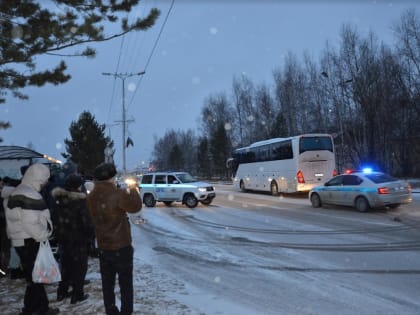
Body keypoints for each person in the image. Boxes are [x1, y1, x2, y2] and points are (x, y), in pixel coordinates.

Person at [86, 162, 142, 315]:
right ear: (111, 177)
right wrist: (133, 189)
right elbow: (136, 207)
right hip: (121, 246)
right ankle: (126, 312)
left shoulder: (91, 197)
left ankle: (110, 310)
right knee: (125, 284)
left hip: (104, 246)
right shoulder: (118, 194)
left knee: (107, 284)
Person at [5, 163, 59, 315]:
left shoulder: (18, 191)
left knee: (33, 278)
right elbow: (31, 223)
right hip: (30, 241)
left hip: (20, 240)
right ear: (38, 178)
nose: (45, 183)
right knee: (36, 278)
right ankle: (37, 309)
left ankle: (34, 308)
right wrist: (45, 234)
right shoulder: (30, 194)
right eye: (44, 179)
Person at [51, 173, 94, 304]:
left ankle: (61, 292)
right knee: (80, 267)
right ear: (78, 186)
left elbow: (54, 219)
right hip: (78, 239)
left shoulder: (58, 199)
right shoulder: (80, 201)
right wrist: (90, 236)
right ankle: (77, 294)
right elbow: (86, 222)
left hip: (63, 238)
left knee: (65, 266)